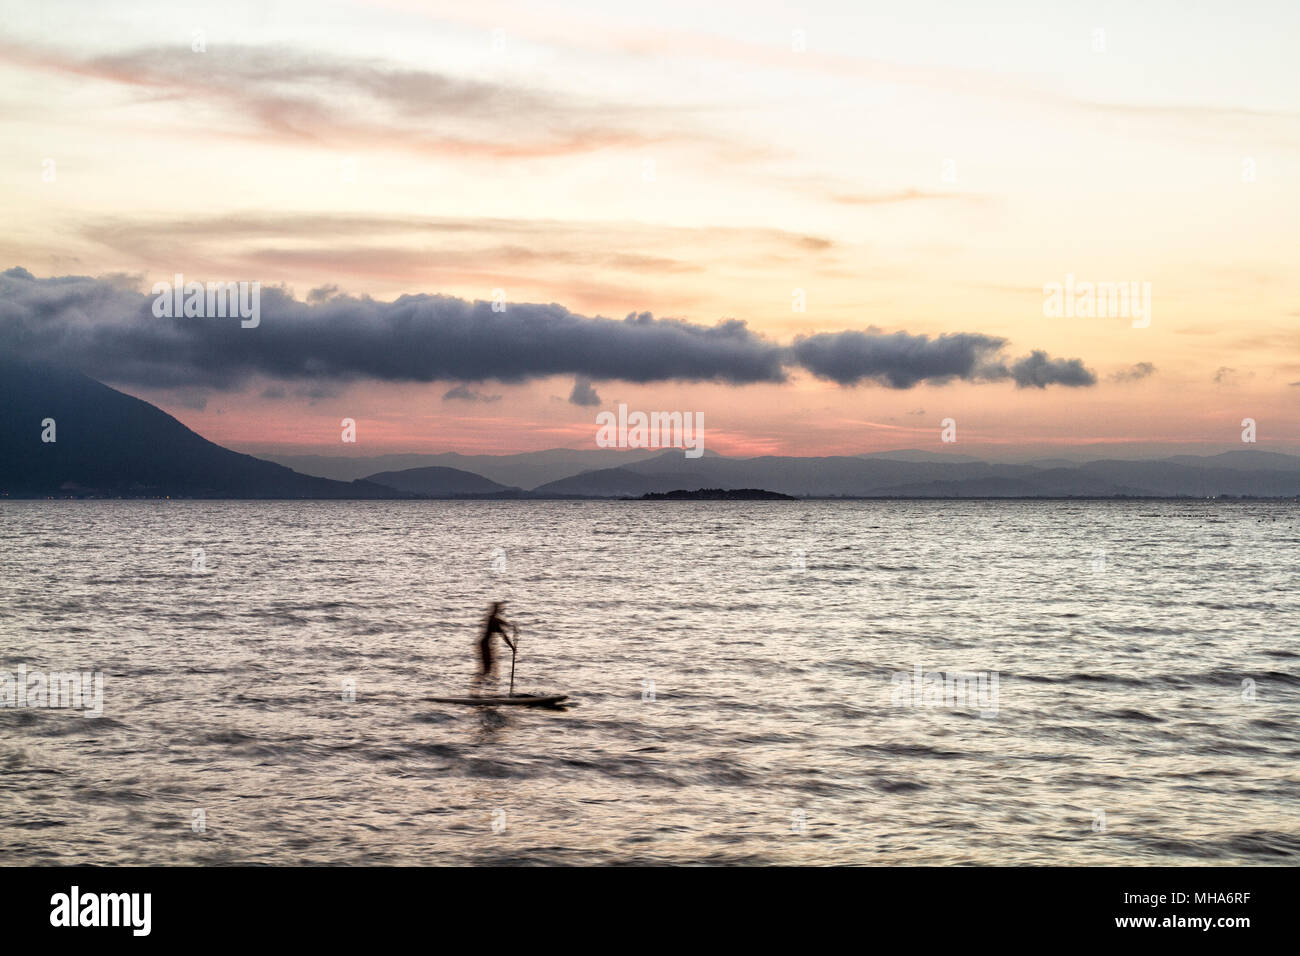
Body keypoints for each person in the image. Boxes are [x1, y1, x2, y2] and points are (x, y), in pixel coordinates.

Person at [476, 601, 515, 681]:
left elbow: (504, 623)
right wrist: (512, 647)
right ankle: (475, 690)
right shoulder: (493, 621)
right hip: (485, 645)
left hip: (485, 644)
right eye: (498, 609)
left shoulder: (493, 618)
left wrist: (512, 626)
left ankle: (481, 689)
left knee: (491, 669)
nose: (499, 611)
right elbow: (504, 635)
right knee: (487, 670)